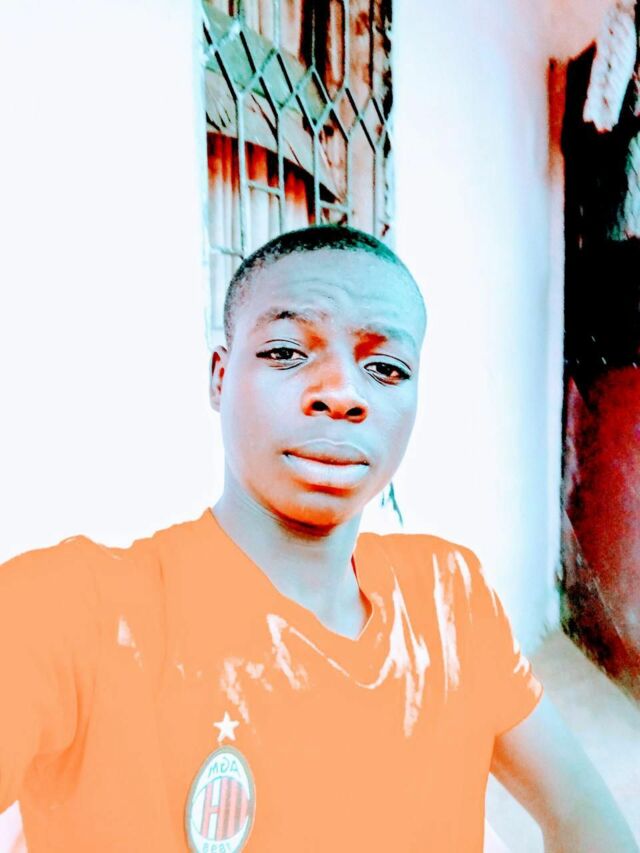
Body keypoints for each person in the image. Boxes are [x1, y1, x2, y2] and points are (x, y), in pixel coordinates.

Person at [0, 225, 636, 853]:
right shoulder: (73, 612)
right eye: (285, 352)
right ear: (219, 376)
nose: (341, 393)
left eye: (386, 368)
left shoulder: (452, 595)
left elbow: (579, 811)